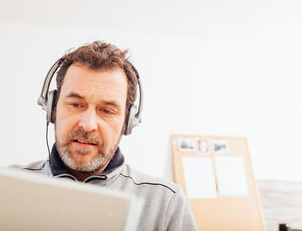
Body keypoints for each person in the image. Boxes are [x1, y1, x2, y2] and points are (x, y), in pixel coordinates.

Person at [14, 41, 197, 230]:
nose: (88, 124)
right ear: (52, 108)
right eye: (76, 104)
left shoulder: (166, 204)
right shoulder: (6, 188)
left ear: (128, 122)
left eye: (106, 111)